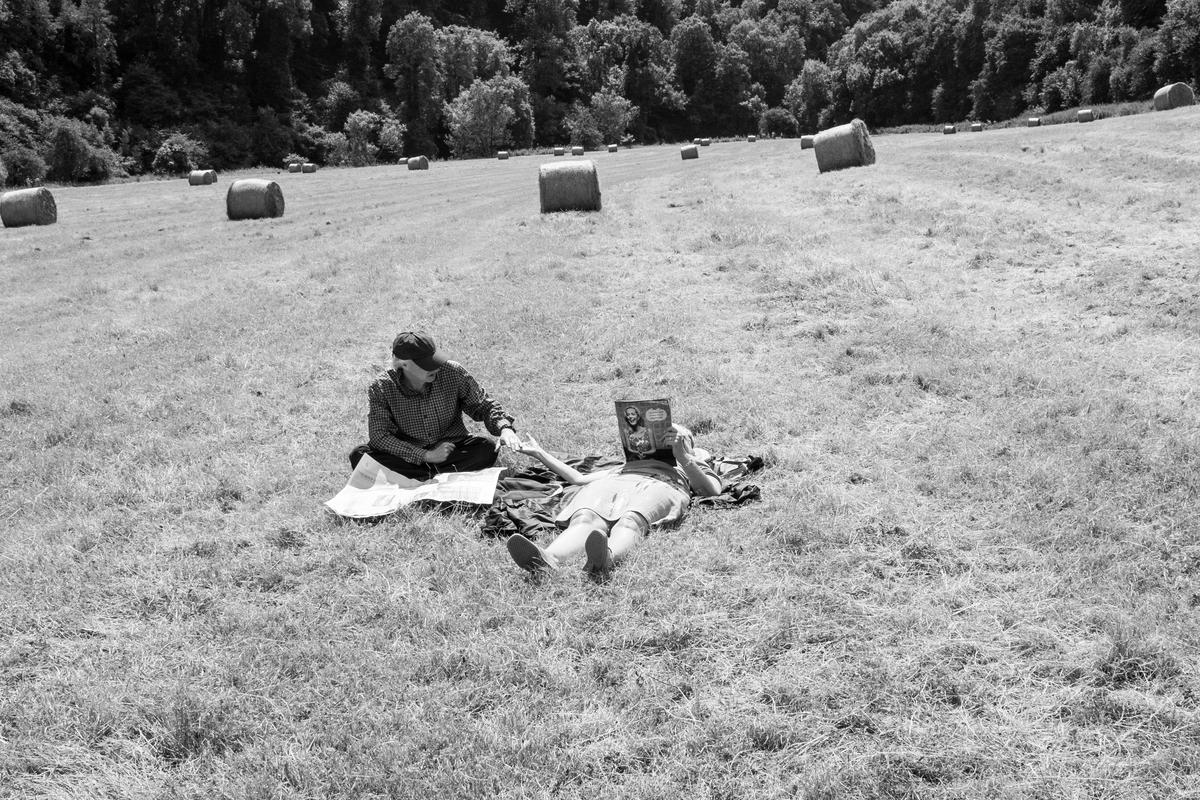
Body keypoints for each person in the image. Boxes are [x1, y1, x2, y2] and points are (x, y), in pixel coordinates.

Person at [505, 424, 722, 576]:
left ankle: (605, 558)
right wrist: (539, 453)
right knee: (585, 516)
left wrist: (684, 456)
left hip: (662, 483)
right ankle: (546, 558)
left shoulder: (690, 462)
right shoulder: (626, 464)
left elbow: (711, 490)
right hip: (620, 479)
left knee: (631, 519)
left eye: (676, 436)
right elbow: (579, 478)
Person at [348, 331, 522, 479]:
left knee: (486, 448)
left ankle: (415, 478)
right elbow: (380, 436)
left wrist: (505, 428)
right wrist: (426, 456)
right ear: (403, 364)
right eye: (427, 364)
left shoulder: (452, 371)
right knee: (360, 455)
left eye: (435, 360)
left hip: (452, 450)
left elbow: (482, 404)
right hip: (407, 455)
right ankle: (439, 475)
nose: (436, 367)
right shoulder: (382, 386)